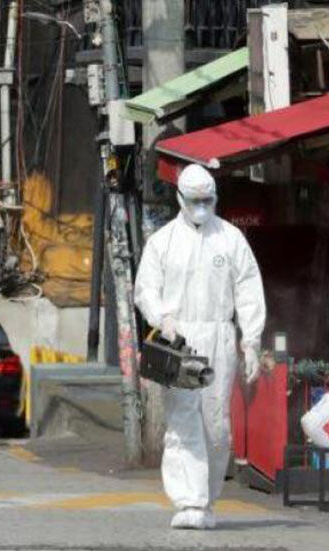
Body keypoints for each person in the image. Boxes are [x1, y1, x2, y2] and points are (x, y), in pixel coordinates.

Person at [134, 164, 266, 530]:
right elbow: (145, 288)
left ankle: (207, 498)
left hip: (219, 336)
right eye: (195, 200)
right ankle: (188, 500)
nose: (201, 207)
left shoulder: (231, 238)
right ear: (180, 198)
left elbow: (249, 290)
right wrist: (163, 318)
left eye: (208, 200)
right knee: (182, 419)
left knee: (215, 423)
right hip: (179, 341)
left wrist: (250, 341)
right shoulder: (162, 242)